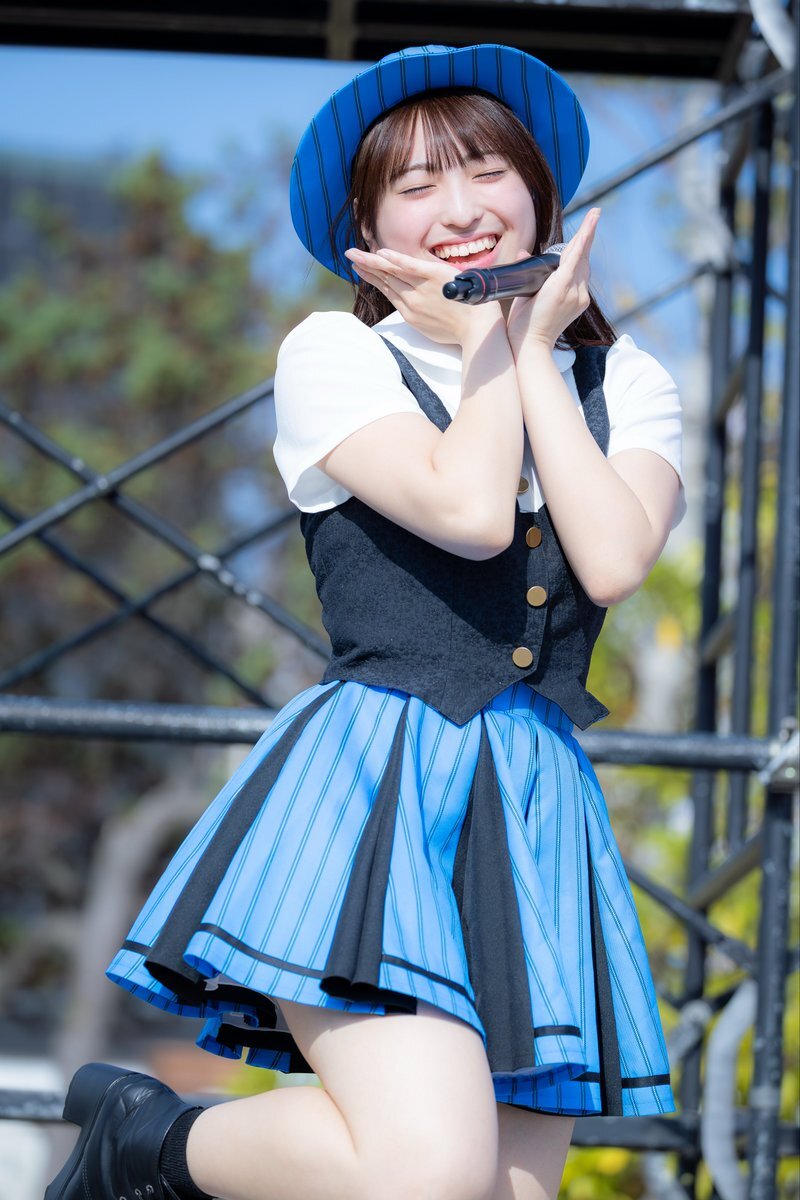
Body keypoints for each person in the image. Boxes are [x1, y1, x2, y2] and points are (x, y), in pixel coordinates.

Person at [46, 42, 685, 1200]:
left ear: (541, 192)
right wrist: (485, 343)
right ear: (368, 227)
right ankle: (151, 1141)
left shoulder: (622, 380)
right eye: (416, 185)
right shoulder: (335, 354)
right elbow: (468, 513)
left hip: (533, 804)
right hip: (377, 781)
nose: (459, 209)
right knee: (423, 1165)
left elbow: (610, 558)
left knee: (501, 1192)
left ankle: (150, 1142)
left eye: (486, 171)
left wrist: (529, 351)